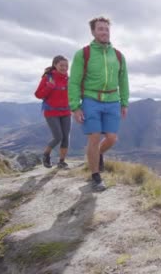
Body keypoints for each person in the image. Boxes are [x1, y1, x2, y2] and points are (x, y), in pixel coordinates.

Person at [68, 16, 129, 192]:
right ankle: (95, 176)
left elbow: (123, 80)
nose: (104, 32)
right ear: (93, 32)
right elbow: (74, 81)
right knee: (94, 137)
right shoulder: (83, 54)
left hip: (112, 100)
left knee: (112, 138)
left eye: (106, 29)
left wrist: (124, 102)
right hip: (90, 100)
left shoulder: (118, 55)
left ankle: (98, 155)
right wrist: (75, 106)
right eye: (100, 29)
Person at [34, 55, 71, 169]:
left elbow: (74, 94)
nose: (64, 68)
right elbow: (38, 95)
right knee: (58, 137)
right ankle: (46, 155)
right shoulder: (48, 78)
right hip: (51, 112)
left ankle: (61, 162)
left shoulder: (68, 79)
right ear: (55, 65)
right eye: (61, 65)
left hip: (66, 112)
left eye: (66, 66)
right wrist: (49, 87)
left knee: (66, 137)